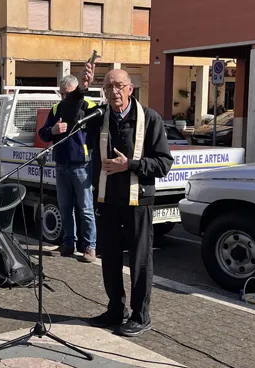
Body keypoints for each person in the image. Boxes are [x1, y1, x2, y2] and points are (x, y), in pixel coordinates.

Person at [77, 66, 174, 337]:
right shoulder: (99, 116)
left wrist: (129, 165)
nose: (114, 91)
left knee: (140, 260)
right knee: (109, 259)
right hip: (108, 200)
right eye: (108, 87)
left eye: (119, 86)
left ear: (130, 89)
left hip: (138, 201)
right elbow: (73, 118)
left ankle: (141, 316)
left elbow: (164, 163)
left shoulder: (150, 118)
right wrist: (82, 89)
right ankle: (114, 310)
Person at [38, 75, 98, 262]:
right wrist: (53, 131)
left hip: (83, 164)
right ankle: (68, 243)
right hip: (61, 163)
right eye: (62, 94)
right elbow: (43, 133)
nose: (65, 98)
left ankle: (90, 246)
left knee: (86, 208)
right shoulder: (56, 109)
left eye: (69, 94)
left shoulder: (88, 105)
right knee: (65, 207)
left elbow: (99, 132)